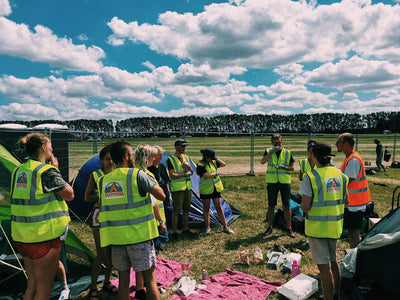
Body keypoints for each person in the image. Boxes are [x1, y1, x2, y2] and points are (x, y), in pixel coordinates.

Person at [98, 141, 166, 300]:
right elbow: (161, 195)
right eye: (133, 155)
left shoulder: (103, 181)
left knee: (123, 282)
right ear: (127, 156)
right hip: (140, 238)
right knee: (150, 281)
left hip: (117, 239)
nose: (134, 157)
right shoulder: (137, 175)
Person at [10, 133, 74, 300]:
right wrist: (57, 170)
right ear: (44, 148)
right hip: (43, 236)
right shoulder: (47, 171)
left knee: (32, 286)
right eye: (50, 146)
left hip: (21, 235)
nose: (52, 149)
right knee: (44, 290)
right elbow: (70, 195)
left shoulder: (18, 170)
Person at [300, 142, 349, 300]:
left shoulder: (311, 176)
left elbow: (305, 206)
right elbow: (346, 201)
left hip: (317, 229)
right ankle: (336, 294)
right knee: (334, 262)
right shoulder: (341, 175)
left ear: (313, 156)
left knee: (324, 268)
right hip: (334, 227)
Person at [84, 145, 117, 299]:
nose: (110, 162)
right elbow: (86, 197)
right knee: (101, 253)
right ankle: (92, 287)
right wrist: (100, 197)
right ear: (102, 160)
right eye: (107, 159)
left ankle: (107, 282)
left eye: (112, 159)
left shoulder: (118, 174)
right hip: (99, 215)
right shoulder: (95, 175)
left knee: (112, 252)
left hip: (114, 215)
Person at [336, 133, 371, 248]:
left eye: (339, 142)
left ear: (346, 144)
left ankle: (355, 257)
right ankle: (354, 254)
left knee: (354, 233)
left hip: (355, 204)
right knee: (352, 232)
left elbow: (347, 180)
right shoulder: (350, 158)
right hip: (353, 203)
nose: (336, 144)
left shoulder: (354, 160)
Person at [261, 133, 295, 238]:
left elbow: (292, 168)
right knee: (271, 205)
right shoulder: (268, 151)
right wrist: (271, 152)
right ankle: (270, 227)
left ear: (282, 141)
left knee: (286, 205)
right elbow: (262, 162)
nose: (278, 144)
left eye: (279, 142)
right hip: (272, 182)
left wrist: (283, 167)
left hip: (285, 182)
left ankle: (289, 228)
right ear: (272, 143)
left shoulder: (287, 153)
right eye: (275, 143)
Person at [197, 148, 234, 234]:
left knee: (219, 207)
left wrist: (216, 158)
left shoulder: (213, 162)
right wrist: (216, 173)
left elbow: (224, 164)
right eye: (211, 157)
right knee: (206, 208)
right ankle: (207, 227)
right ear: (206, 156)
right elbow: (206, 175)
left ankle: (225, 227)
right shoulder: (200, 165)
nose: (212, 158)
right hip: (206, 190)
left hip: (215, 189)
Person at [166, 139, 194, 240]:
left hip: (187, 187)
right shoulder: (171, 159)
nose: (184, 148)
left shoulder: (186, 157)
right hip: (178, 189)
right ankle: (174, 231)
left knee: (186, 209)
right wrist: (184, 174)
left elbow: (192, 172)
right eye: (182, 146)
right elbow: (172, 175)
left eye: (185, 146)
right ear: (176, 147)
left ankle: (185, 228)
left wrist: (189, 169)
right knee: (176, 211)